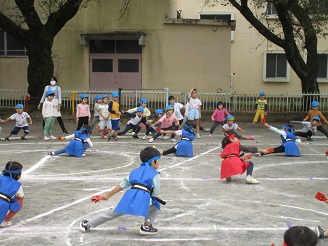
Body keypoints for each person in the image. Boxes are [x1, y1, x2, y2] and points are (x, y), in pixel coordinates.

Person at [79, 146, 163, 235]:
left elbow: (122, 185)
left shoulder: (134, 172)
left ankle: (87, 224)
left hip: (130, 197)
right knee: (155, 206)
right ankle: (147, 226)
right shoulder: (155, 174)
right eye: (158, 161)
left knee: (111, 213)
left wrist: (108, 195)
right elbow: (156, 192)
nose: (159, 163)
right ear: (153, 162)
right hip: (144, 198)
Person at [0, 161, 24, 228]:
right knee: (19, 202)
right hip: (2, 206)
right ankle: (4, 221)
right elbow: (21, 197)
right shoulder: (17, 185)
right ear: (18, 175)